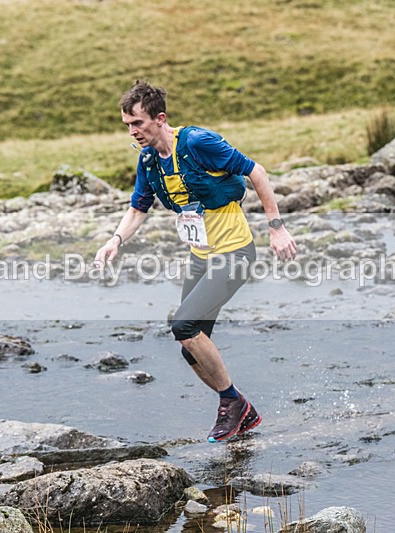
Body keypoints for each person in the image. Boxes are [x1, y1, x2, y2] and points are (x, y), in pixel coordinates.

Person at [95, 81, 297, 442]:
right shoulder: (148, 161)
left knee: (184, 325)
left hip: (234, 252)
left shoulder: (198, 142)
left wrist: (276, 227)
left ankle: (231, 403)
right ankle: (241, 410)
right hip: (202, 258)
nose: (132, 131)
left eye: (137, 123)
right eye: (127, 125)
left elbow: (257, 172)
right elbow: (138, 208)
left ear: (160, 118)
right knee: (191, 349)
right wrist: (115, 241)